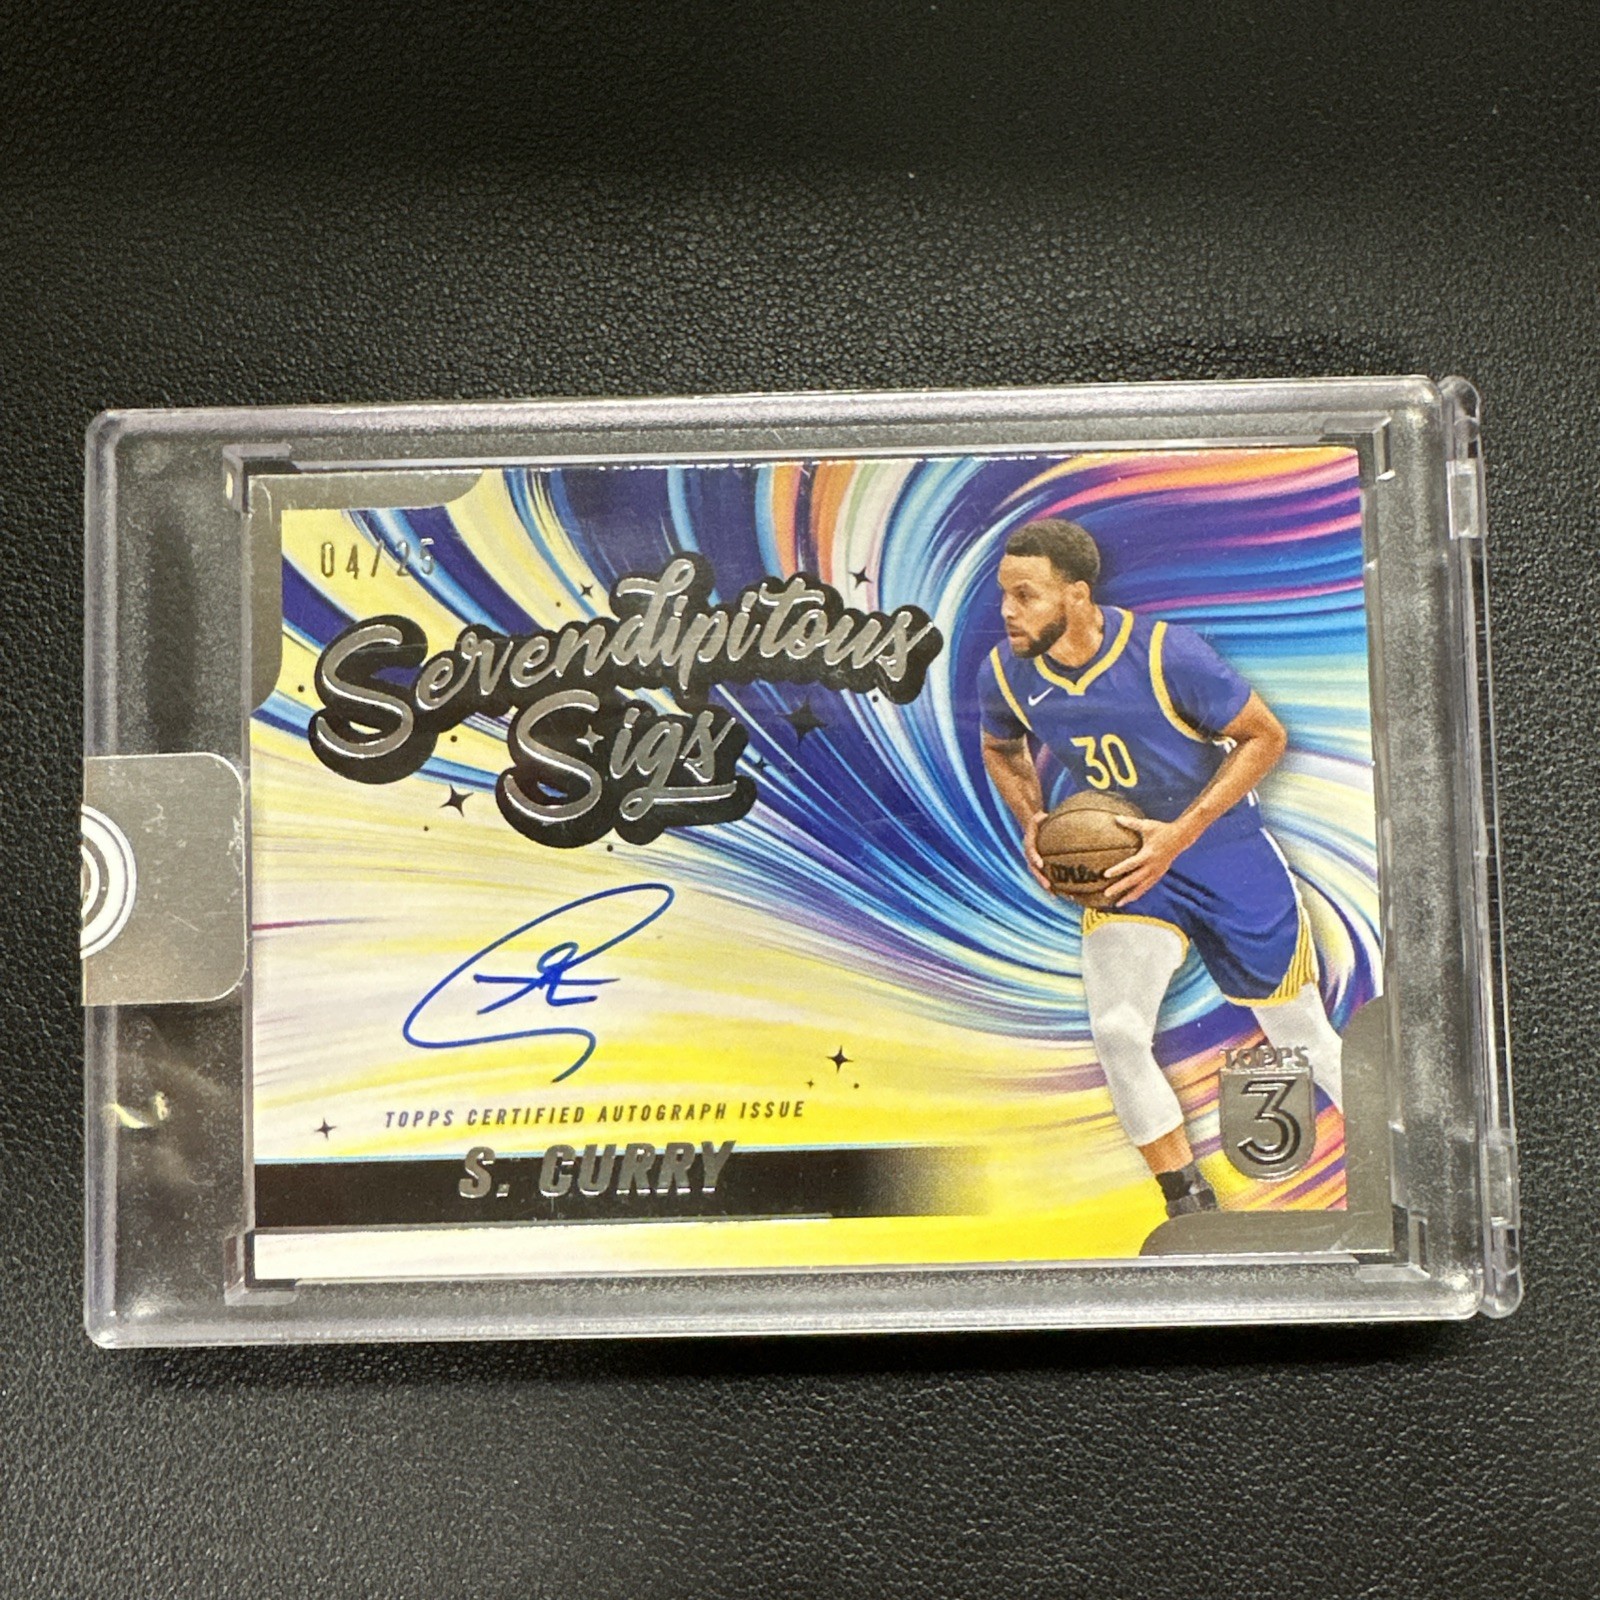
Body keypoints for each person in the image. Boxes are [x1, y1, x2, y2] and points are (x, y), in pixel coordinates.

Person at [976, 518, 1344, 1218]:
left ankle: (1406, 1174)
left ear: (1076, 595)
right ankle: (1188, 1204)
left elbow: (1265, 737)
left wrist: (1180, 834)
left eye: (1026, 595)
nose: (1007, 611)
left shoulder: (1168, 654)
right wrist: (1032, 819)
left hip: (1224, 854)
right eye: (1004, 594)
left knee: (1303, 1037)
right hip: (1124, 866)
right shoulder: (1004, 672)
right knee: (1118, 1032)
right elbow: (1001, 746)